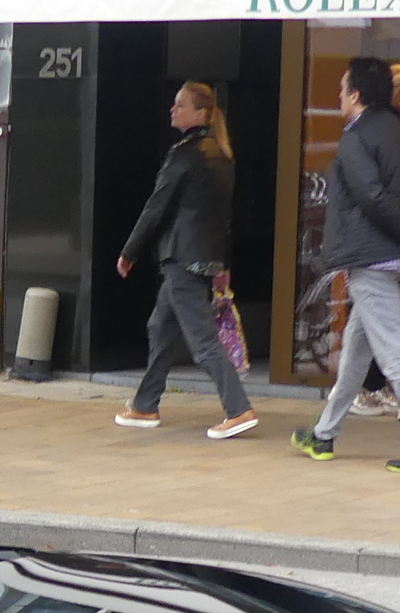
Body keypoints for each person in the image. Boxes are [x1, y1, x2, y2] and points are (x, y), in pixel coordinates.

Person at [294, 57, 400, 473]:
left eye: (342, 90)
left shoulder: (355, 138)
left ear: (357, 95)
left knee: (394, 353)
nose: (338, 97)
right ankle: (324, 433)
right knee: (357, 349)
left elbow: (371, 198)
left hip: (372, 258)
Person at [113, 81, 256, 440]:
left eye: (180, 105)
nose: (172, 110)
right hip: (204, 257)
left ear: (200, 113)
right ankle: (145, 405)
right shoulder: (221, 154)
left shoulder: (186, 154)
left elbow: (157, 205)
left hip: (182, 257)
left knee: (202, 339)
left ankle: (238, 409)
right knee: (160, 327)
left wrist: (130, 251)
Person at [352, 64, 400, 420]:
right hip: (385, 251)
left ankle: (328, 427)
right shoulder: (391, 133)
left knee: (365, 335)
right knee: (391, 337)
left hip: (385, 249)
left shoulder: (382, 132)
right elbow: (375, 196)